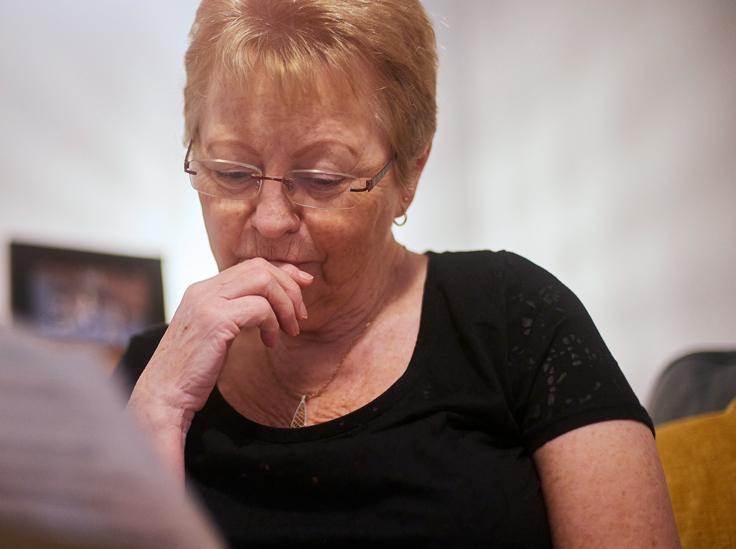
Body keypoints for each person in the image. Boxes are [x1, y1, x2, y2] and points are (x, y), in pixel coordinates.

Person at [119, 1, 680, 546]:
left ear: (409, 173)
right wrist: (156, 416)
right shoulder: (152, 375)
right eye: (232, 171)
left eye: (321, 177)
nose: (269, 221)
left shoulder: (514, 319)